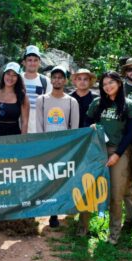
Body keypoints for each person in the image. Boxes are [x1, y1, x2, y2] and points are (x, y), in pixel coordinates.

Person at [87, 71, 132, 245]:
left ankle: (114, 233)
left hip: (120, 151)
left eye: (111, 82)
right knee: (93, 188)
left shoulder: (130, 105)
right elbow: (87, 125)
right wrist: (92, 126)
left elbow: (131, 133)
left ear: (119, 83)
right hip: (98, 151)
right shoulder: (96, 103)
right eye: (104, 84)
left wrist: (117, 155)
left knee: (117, 194)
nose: (107, 86)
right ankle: (84, 227)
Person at [35, 65, 79, 228]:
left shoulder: (71, 102)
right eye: (55, 77)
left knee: (60, 179)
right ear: (51, 79)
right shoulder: (43, 100)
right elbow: (39, 124)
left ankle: (55, 213)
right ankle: (44, 208)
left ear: (65, 80)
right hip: (47, 146)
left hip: (64, 147)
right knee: (47, 179)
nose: (57, 80)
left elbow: (74, 127)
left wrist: (69, 148)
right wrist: (43, 145)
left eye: (61, 77)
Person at [69, 68, 98, 234]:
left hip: (89, 143)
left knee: (87, 177)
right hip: (72, 143)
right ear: (74, 81)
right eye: (79, 78)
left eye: (85, 79)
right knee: (72, 175)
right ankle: (72, 207)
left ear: (90, 81)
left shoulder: (96, 99)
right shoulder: (69, 98)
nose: (82, 81)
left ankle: (85, 217)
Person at [0, 62, 30, 137]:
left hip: (13, 139)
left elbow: (24, 122)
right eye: (8, 74)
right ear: (4, 75)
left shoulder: (22, 97)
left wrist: (22, 142)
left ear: (18, 78)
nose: (10, 77)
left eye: (14, 75)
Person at [22, 45, 51, 133]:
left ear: (39, 62)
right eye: (29, 60)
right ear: (24, 62)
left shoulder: (46, 81)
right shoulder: (18, 79)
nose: (32, 63)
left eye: (35, 60)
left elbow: (49, 105)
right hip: (19, 128)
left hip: (38, 129)